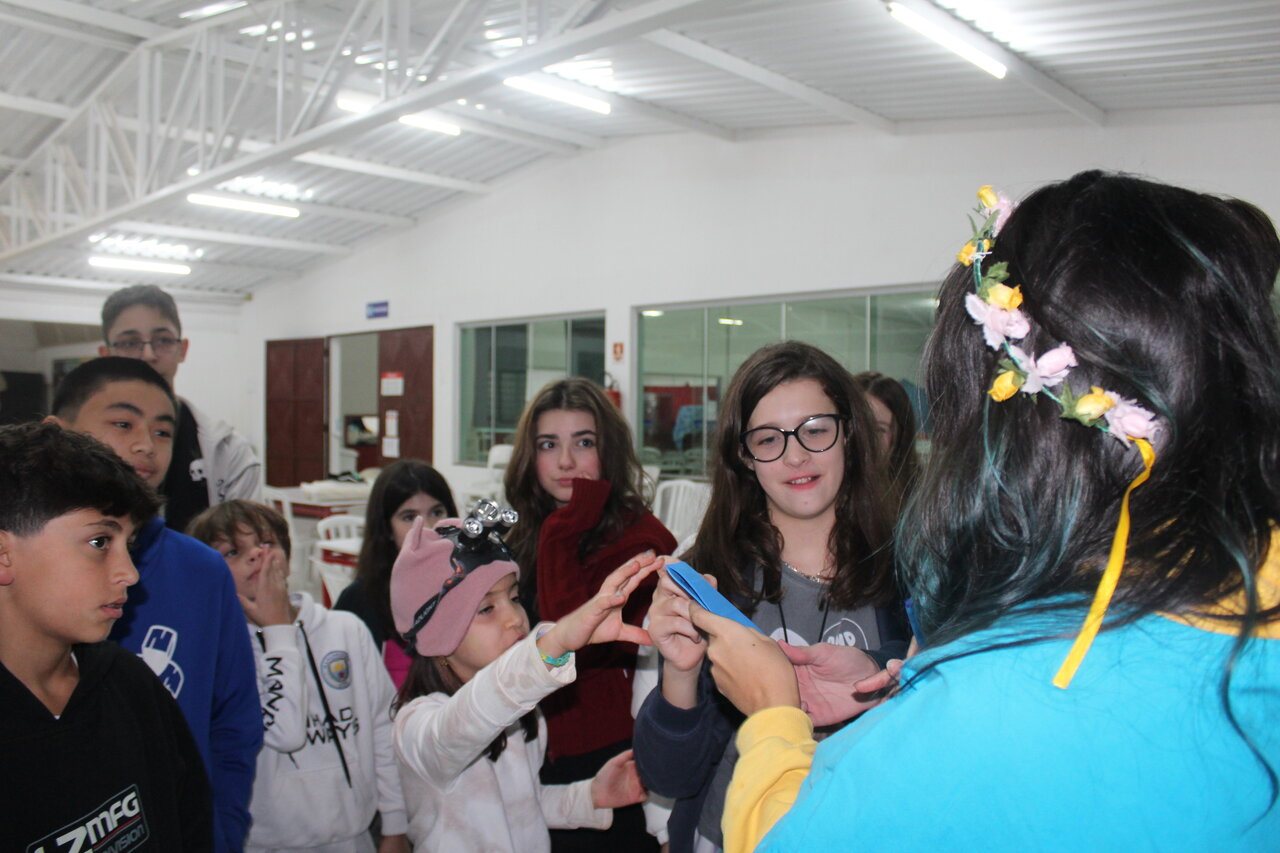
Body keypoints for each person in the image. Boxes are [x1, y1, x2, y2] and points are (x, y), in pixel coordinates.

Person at [700, 174, 1280, 851]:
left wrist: (774, 715)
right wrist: (901, 696)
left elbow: (789, 837)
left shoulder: (1015, 694)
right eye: (768, 438)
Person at [632, 340, 910, 853]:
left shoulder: (913, 567)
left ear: (849, 433)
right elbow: (668, 777)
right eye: (768, 439)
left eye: (815, 430)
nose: (795, 455)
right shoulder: (706, 579)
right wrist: (681, 674)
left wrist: (881, 672)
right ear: (744, 456)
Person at [50, 356, 260, 853]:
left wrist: (221, 830)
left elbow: (234, 719)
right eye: (123, 424)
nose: (146, 445)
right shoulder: (28, 575)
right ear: (57, 434)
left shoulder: (202, 570)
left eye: (163, 431)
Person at [0, 421, 213, 852]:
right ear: (4, 555)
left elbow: (189, 823)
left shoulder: (129, 685)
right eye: (99, 542)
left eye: (128, 546)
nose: (129, 574)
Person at [389, 513, 656, 851]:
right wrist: (555, 643)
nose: (515, 618)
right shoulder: (416, 728)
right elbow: (464, 724)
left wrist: (589, 795)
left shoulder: (522, 717)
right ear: (439, 637)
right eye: (487, 609)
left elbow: (525, 806)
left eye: (514, 598)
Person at [504, 378, 677, 851]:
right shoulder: (525, 532)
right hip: (529, 744)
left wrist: (566, 526)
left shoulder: (641, 539)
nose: (565, 461)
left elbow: (571, 645)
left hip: (608, 752)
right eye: (548, 444)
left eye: (583, 443)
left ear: (609, 450)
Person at [188, 500, 410, 853]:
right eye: (232, 552)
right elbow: (283, 733)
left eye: (266, 543)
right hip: (266, 841)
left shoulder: (346, 630)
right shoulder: (218, 651)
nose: (256, 556)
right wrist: (278, 630)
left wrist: (395, 824)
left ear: (288, 557)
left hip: (353, 833)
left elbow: (383, 727)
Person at [100, 284, 261, 532]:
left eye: (163, 340)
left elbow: (245, 545)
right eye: (130, 343)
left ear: (182, 349)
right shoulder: (81, 446)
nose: (148, 354)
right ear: (105, 355)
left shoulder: (229, 452)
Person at [335, 459, 457, 689]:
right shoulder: (359, 601)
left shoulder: (472, 587)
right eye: (409, 517)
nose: (427, 527)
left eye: (437, 512)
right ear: (386, 529)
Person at [853, 371, 921, 516]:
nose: (866, 437)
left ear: (900, 437)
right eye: (859, 425)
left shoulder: (917, 501)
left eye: (879, 429)